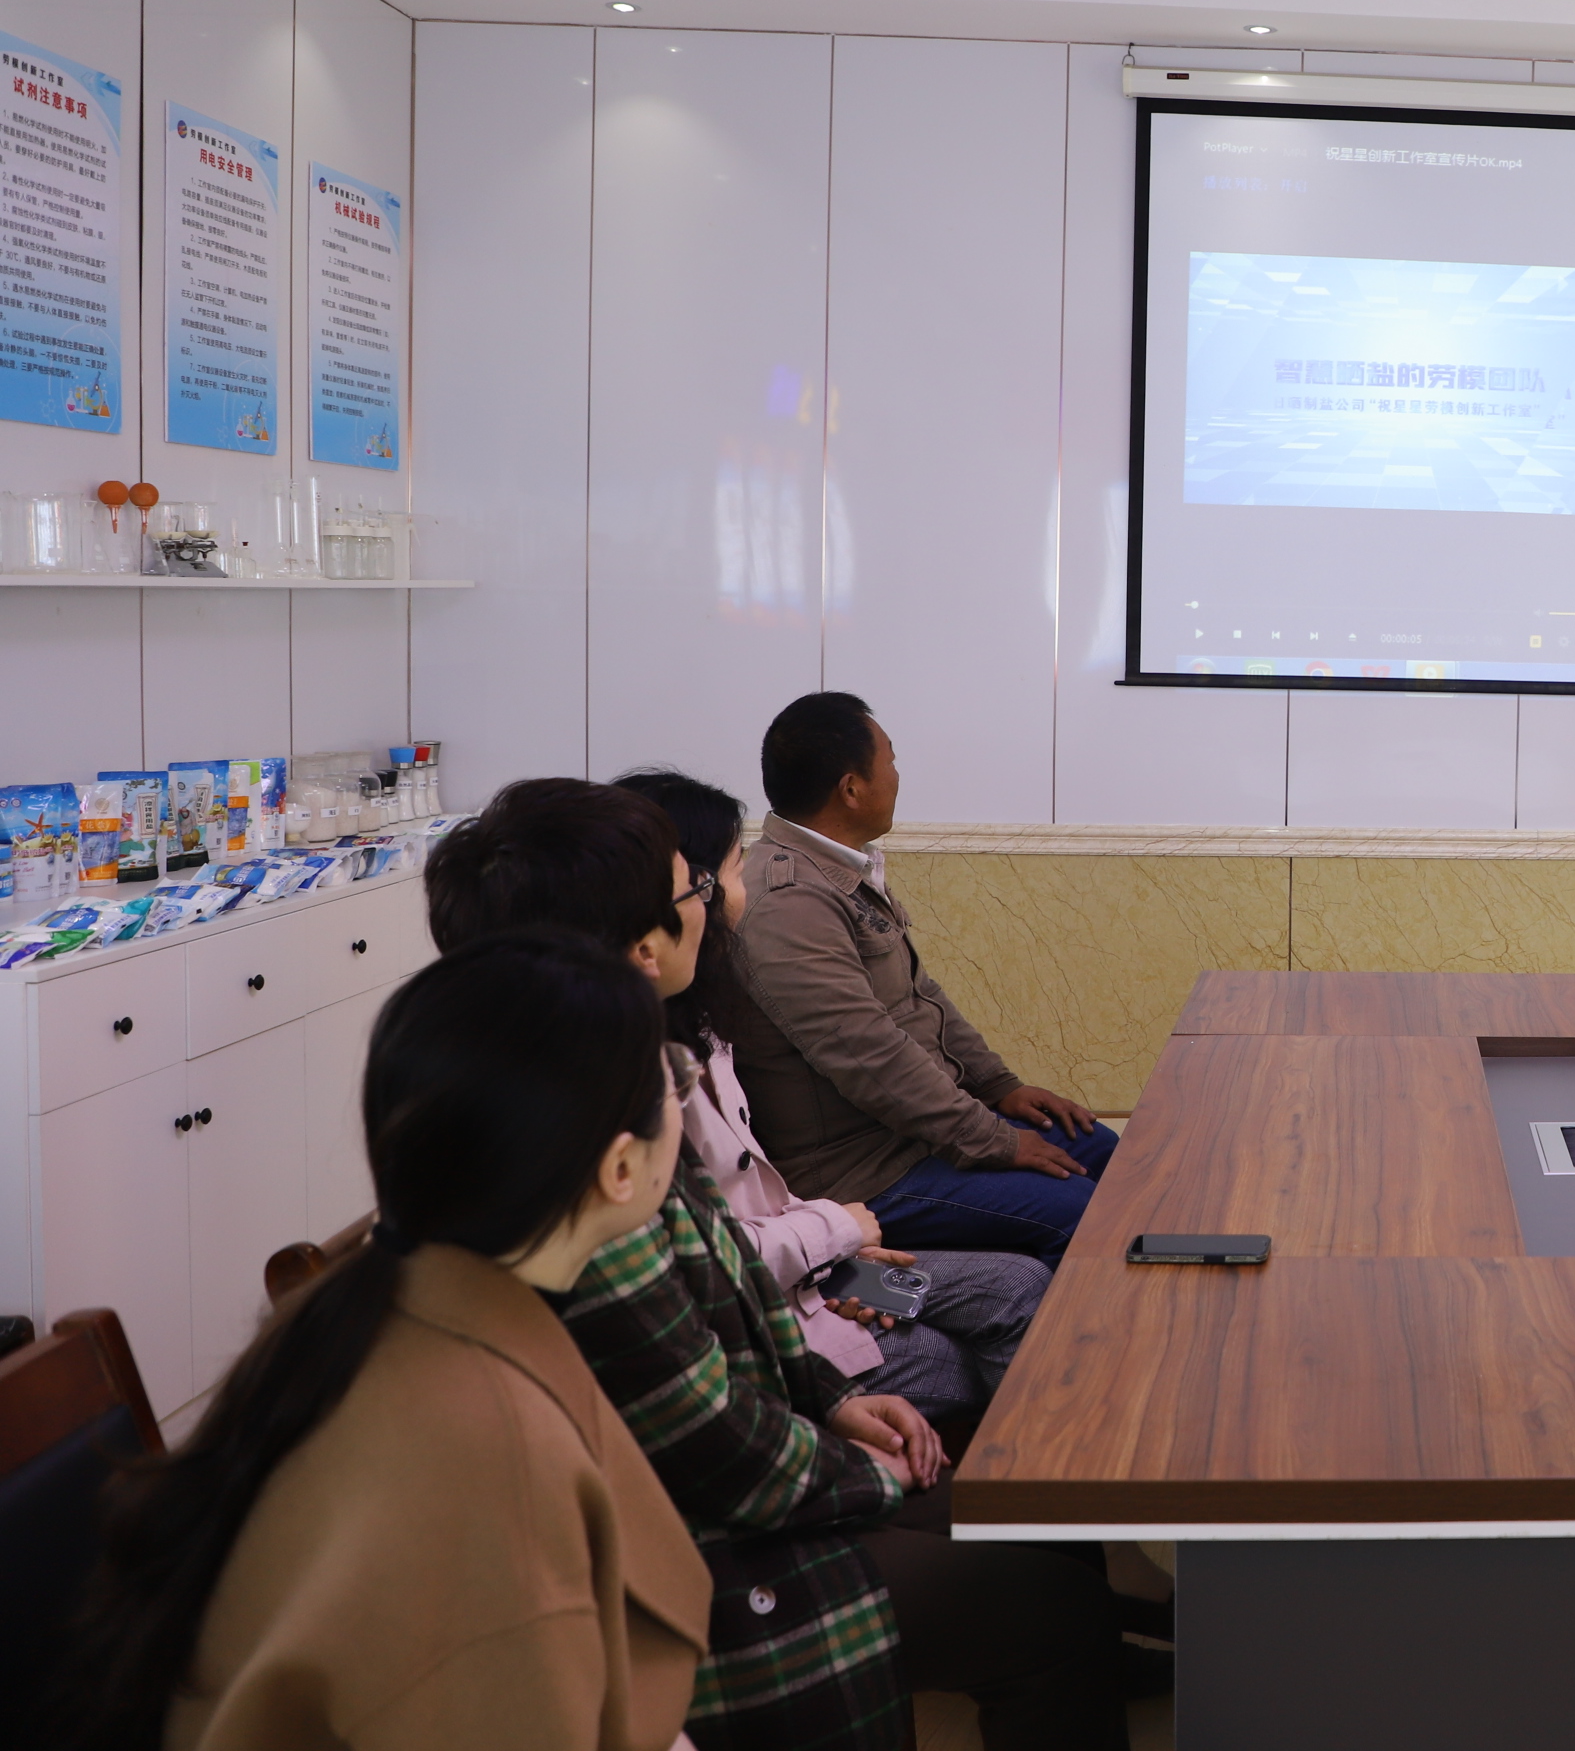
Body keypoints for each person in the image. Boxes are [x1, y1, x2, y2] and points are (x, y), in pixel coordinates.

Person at [426, 779, 1138, 1751]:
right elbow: (708, 1408)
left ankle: (1057, 1537)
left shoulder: (652, 1051)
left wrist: (830, 1376)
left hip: (827, 1280)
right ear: (642, 945)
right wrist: (846, 1256)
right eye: (705, 881)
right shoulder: (602, 1133)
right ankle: (1056, 1536)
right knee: (999, 1337)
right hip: (759, 1426)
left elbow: (720, 1267)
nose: (727, 895)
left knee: (1016, 1293)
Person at [48, 931, 711, 1751]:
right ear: (621, 1169)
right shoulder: (488, 1451)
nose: (682, 1094)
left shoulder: (371, 1306)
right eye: (673, 1082)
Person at [615, 767, 1050, 1428]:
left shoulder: (702, 1026)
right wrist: (835, 1234)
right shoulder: (638, 1074)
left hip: (819, 1264)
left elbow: (756, 1195)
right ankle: (1030, 1475)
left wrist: (837, 1249)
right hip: (779, 1289)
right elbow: (697, 1265)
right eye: (727, 875)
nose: (739, 892)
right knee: (953, 1361)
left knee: (1017, 1285)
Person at [720, 693, 1118, 1260]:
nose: (898, 776)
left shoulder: (837, 869)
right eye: (890, 761)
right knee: (1083, 1216)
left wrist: (998, 1087)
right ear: (852, 788)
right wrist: (994, 1140)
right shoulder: (789, 901)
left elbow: (920, 996)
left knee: (1103, 1151)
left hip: (915, 1136)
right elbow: (868, 1054)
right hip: (862, 1171)